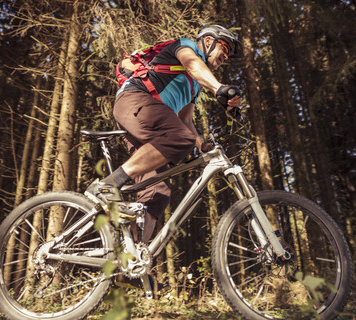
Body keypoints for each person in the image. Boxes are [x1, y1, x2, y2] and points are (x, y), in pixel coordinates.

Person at [85, 25, 243, 244]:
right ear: (208, 41)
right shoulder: (186, 46)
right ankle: (108, 184)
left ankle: (130, 262)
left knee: (157, 192)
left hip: (150, 124)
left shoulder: (194, 86)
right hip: (135, 101)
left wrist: (203, 145)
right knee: (179, 138)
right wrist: (218, 88)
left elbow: (185, 121)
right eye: (224, 48)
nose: (226, 56)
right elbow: (191, 63)